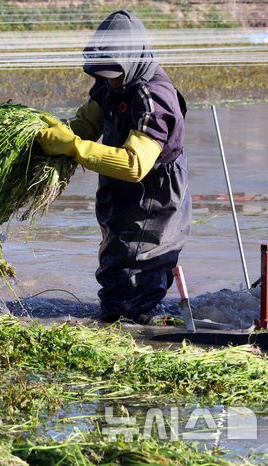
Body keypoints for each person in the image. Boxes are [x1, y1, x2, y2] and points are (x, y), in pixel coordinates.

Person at [34, 10, 191, 324]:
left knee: (133, 276)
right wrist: (51, 133)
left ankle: (138, 334)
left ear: (132, 61)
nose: (110, 80)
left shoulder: (154, 99)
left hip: (153, 197)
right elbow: (86, 124)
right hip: (118, 191)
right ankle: (131, 319)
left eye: (115, 73)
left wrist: (73, 147)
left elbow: (134, 165)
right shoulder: (110, 85)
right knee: (115, 262)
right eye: (104, 74)